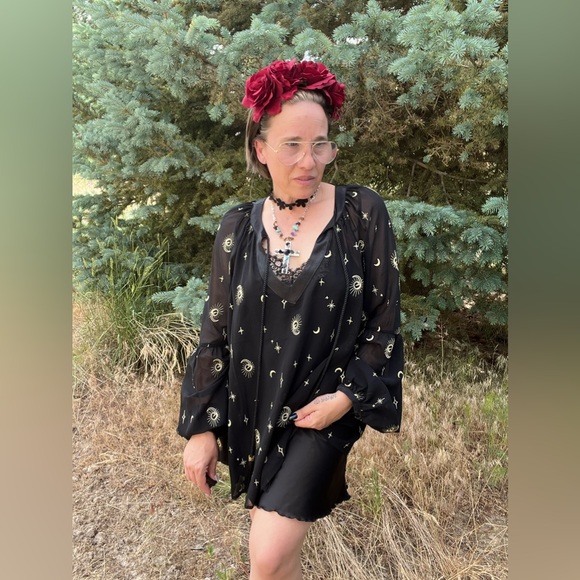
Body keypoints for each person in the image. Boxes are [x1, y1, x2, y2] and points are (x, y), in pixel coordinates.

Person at [178, 58, 404, 579]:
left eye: (320, 144)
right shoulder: (237, 226)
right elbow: (215, 331)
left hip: (323, 409)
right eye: (292, 145)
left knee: (267, 554)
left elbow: (384, 322)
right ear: (260, 149)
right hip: (253, 406)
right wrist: (201, 429)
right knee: (279, 555)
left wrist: (346, 399)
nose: (310, 161)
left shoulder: (361, 213)